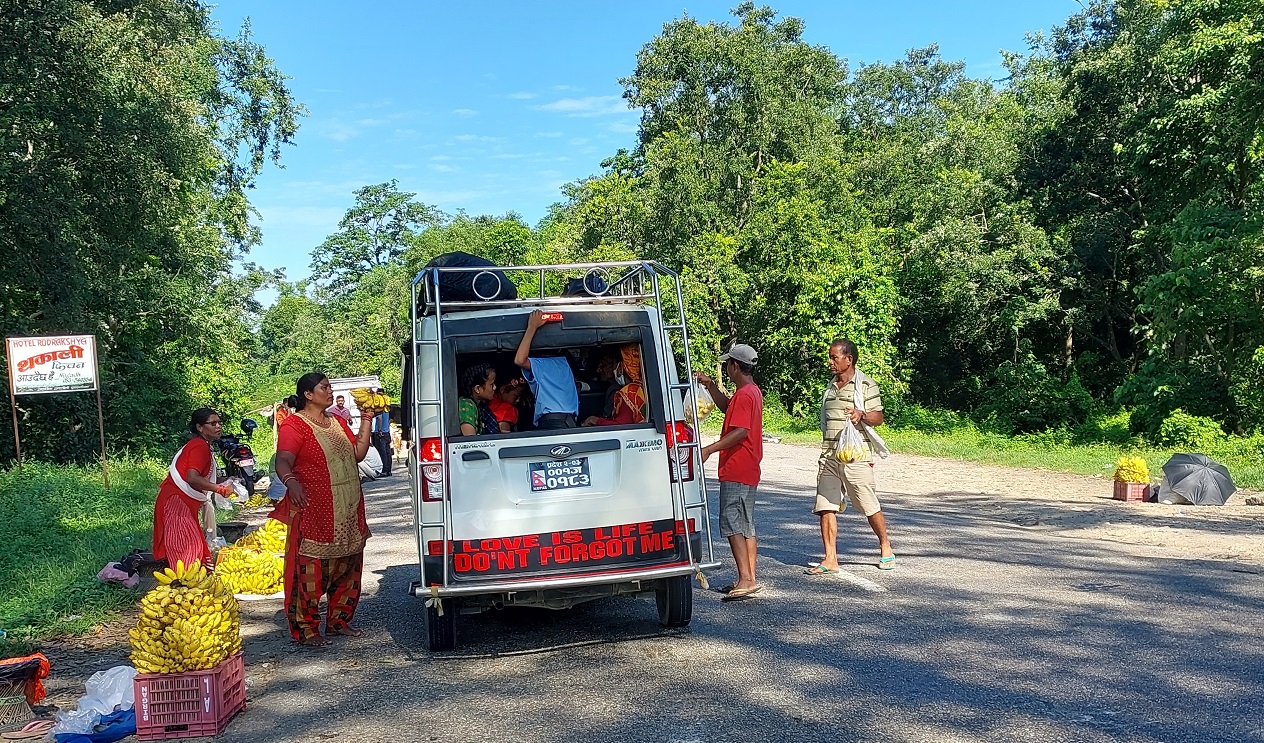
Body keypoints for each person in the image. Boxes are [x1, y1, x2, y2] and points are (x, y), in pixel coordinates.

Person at [271, 373, 374, 646]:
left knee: (349, 564)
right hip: (316, 508)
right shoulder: (295, 425)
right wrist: (291, 482)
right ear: (308, 394)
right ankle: (306, 629)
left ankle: (339, 622)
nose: (330, 391)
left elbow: (357, 455)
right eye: (324, 387)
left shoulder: (337, 421)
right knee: (311, 568)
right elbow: (282, 460)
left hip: (348, 505)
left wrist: (366, 418)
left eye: (329, 386)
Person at [806, 339, 895, 574]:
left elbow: (878, 417)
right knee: (825, 506)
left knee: (867, 504)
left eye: (834, 357)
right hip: (829, 455)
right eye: (830, 357)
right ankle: (830, 558)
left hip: (856, 455)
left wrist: (861, 414)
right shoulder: (830, 387)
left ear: (849, 360)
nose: (830, 362)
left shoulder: (865, 385)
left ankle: (885, 544)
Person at [696, 343, 764, 601]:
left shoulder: (745, 395)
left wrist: (710, 449)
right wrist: (710, 385)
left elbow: (741, 431)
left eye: (728, 364)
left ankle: (746, 578)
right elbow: (730, 410)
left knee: (732, 521)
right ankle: (749, 577)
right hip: (748, 466)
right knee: (746, 523)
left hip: (737, 466)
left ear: (735, 366)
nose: (727, 368)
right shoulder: (749, 392)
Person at [152, 408, 236, 570]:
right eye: (213, 423)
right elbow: (192, 478)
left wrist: (225, 482)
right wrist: (220, 489)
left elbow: (202, 477)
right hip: (177, 503)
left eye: (219, 423)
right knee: (186, 550)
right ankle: (184, 588)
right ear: (199, 427)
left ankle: (191, 586)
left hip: (181, 503)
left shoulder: (202, 445)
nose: (218, 426)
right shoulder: (199, 446)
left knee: (194, 547)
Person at [514, 309, 579, 429]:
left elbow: (519, 360)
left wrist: (532, 327)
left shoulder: (541, 364)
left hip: (553, 422)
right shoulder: (565, 362)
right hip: (569, 422)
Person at [582, 345, 647, 426]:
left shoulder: (630, 392)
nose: (599, 370)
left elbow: (620, 425)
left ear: (621, 366)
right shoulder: (643, 387)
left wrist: (594, 420)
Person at [458, 363, 502, 436]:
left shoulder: (480, 405)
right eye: (491, 384)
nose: (495, 387)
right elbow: (470, 440)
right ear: (477, 389)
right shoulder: (467, 406)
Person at [370, 392, 392, 476]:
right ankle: (388, 470)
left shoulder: (379, 407)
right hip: (387, 432)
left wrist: (379, 430)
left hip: (380, 433)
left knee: (381, 452)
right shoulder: (386, 408)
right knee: (387, 452)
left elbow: (379, 418)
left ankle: (383, 470)